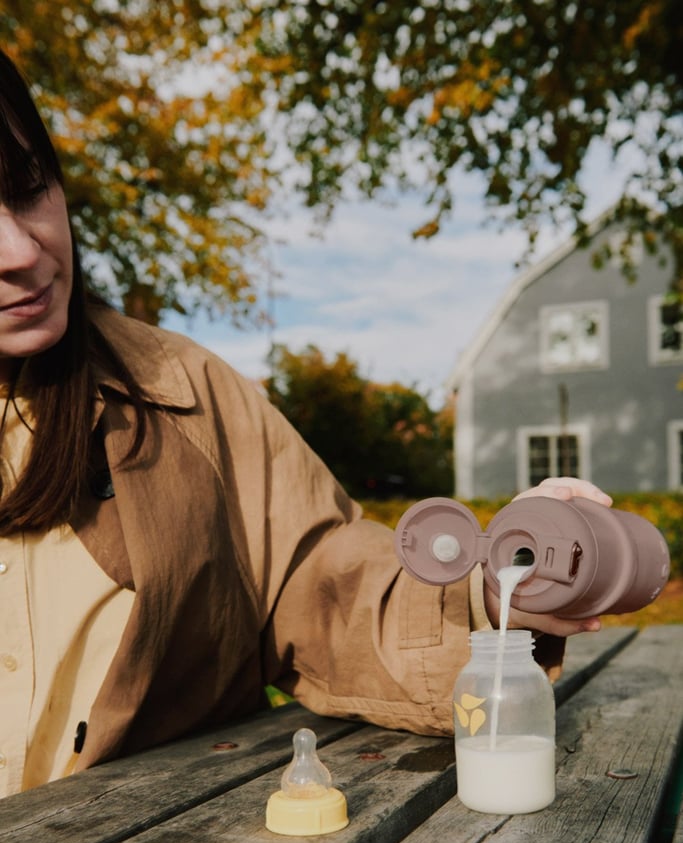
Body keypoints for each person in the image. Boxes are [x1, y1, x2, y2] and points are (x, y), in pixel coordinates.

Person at [0, 48, 612, 798]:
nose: (22, 251)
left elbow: (319, 580)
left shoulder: (181, 391)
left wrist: (485, 593)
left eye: (30, 189)